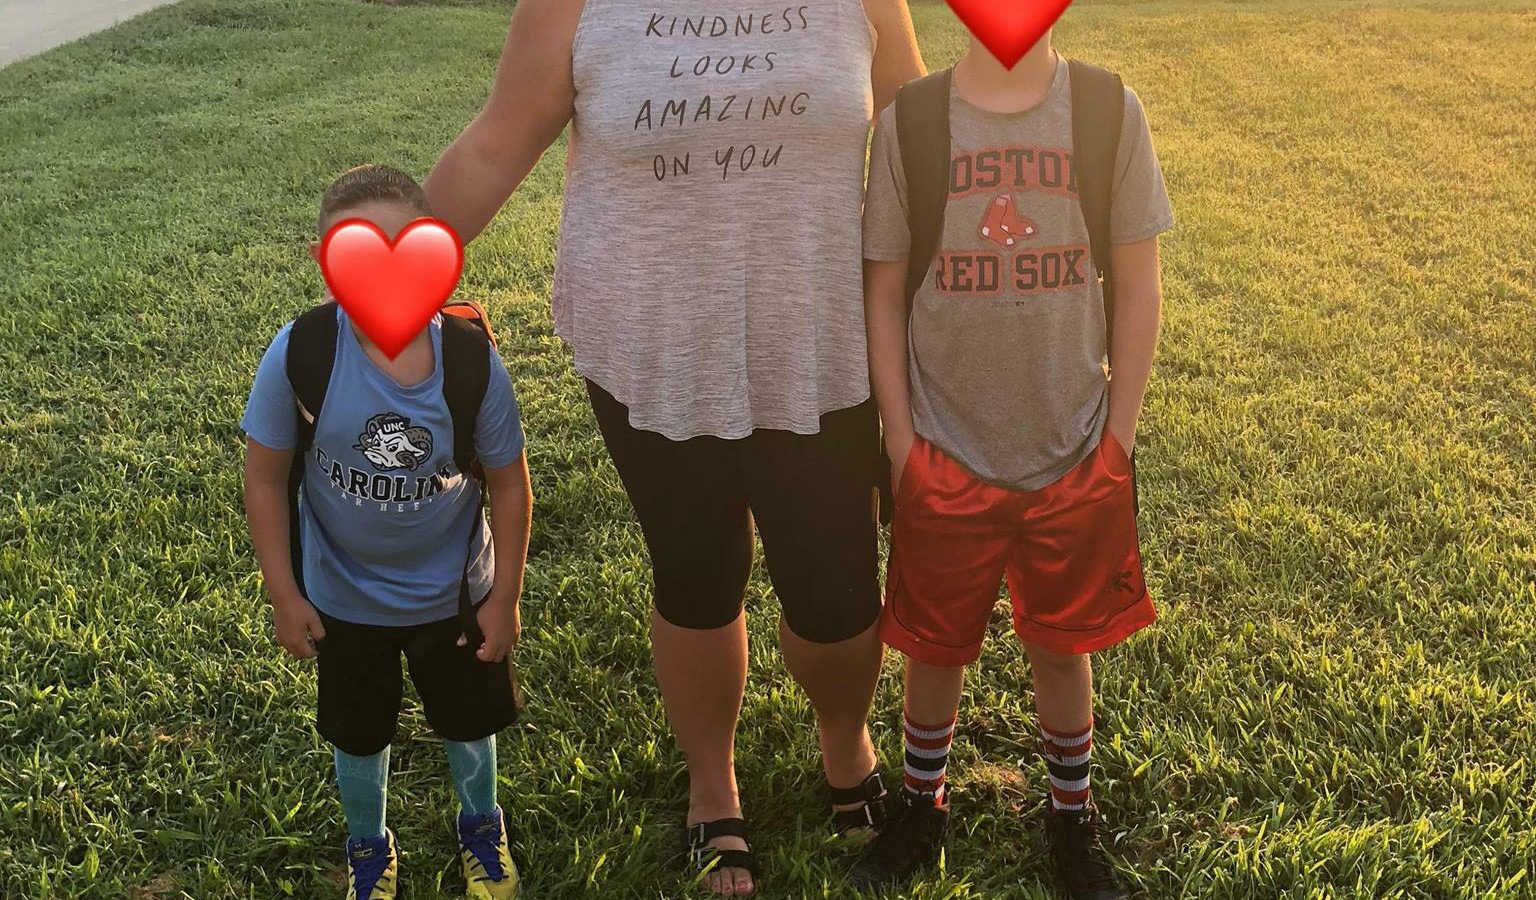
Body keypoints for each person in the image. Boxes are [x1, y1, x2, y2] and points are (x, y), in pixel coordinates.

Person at [424, 1, 924, 894]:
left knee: (839, 589)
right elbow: (499, 142)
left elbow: (913, 127)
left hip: (821, 342)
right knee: (695, 571)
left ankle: (847, 744)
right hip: (649, 341)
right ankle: (712, 784)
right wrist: (383, 274)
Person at [854, 21, 1173, 899]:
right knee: (933, 642)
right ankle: (924, 803)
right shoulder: (913, 120)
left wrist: (1118, 434)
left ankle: (1071, 817)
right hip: (945, 444)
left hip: (1071, 444)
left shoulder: (1107, 109)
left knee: (1063, 647)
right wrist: (900, 438)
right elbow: (882, 286)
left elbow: (1140, 281)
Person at [241, 165, 532, 900]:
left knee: (469, 723)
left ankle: (480, 825)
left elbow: (508, 482)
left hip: (455, 594)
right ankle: (368, 845)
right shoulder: (303, 353)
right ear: (326, 263)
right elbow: (265, 479)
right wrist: (284, 594)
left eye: (406, 247)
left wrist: (504, 599)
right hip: (343, 599)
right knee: (357, 733)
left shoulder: (468, 362)